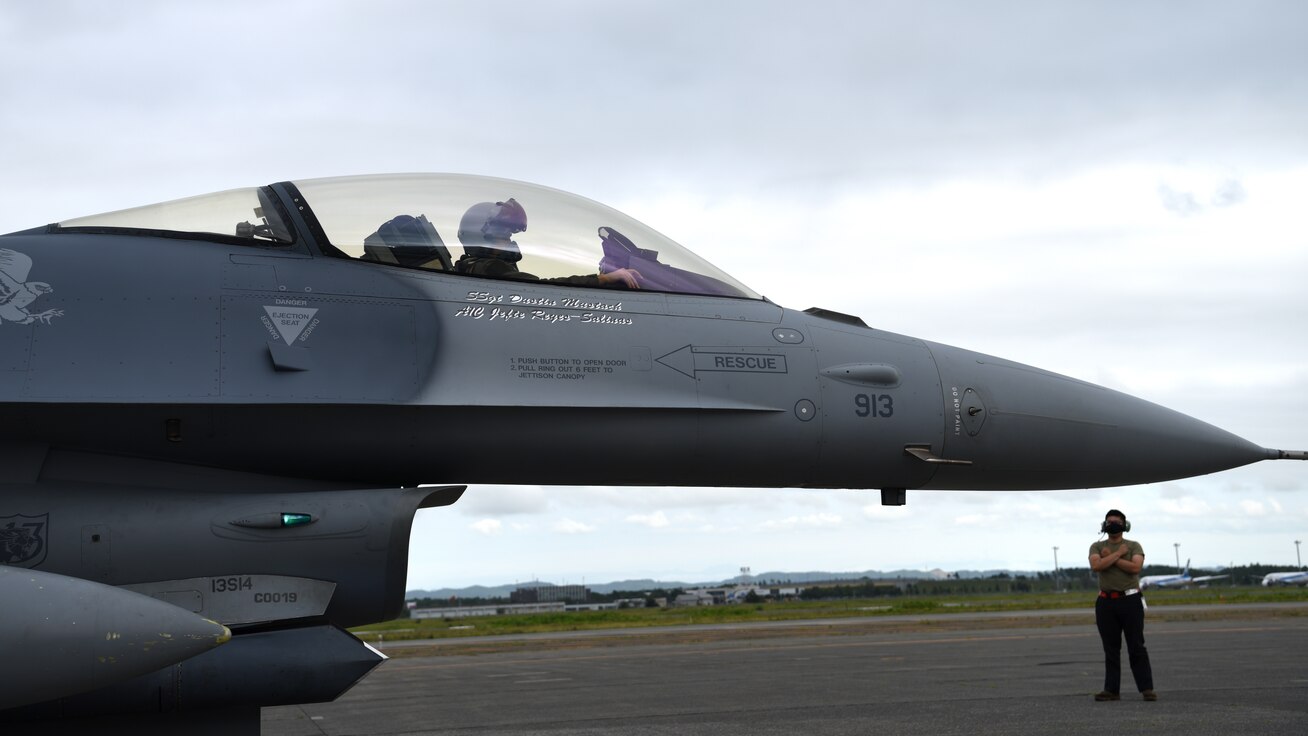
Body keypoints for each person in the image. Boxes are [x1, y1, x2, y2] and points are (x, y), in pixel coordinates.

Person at [454, 198, 641, 288]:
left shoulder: (473, 269)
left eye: (510, 236)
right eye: (504, 236)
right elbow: (545, 288)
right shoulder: (489, 269)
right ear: (480, 236)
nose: (509, 242)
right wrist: (604, 279)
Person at [1088, 509, 1157, 702]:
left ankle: (1147, 689)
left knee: (1136, 645)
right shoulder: (1096, 546)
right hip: (1105, 602)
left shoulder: (1134, 545)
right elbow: (1096, 566)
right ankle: (1111, 690)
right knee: (1110, 648)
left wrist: (1111, 557)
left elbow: (1135, 568)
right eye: (1109, 521)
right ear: (1104, 525)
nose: (1112, 524)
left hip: (1130, 600)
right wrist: (1119, 555)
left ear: (1125, 525)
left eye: (1116, 521)